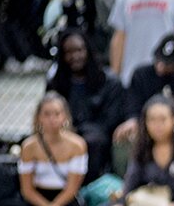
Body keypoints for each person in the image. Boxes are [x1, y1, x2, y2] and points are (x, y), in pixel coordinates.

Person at [0, 92, 89, 206]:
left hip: (63, 200)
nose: (52, 119)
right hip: (36, 199)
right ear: (39, 117)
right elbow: (27, 189)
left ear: (64, 116)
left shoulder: (77, 145)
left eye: (57, 114)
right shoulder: (29, 146)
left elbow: (72, 188)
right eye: (47, 114)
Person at [47, 29, 124, 182]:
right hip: (64, 132)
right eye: (68, 52)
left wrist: (78, 132)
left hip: (97, 136)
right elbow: (48, 112)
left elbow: (110, 120)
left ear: (88, 50)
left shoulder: (109, 82)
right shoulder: (56, 83)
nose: (74, 56)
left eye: (79, 50)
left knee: (92, 141)